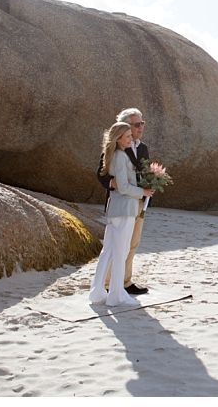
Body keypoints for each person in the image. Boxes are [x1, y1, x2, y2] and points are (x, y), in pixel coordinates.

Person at [90, 122, 153, 306]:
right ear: (118, 138)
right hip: (124, 209)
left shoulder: (115, 155)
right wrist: (143, 192)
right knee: (120, 252)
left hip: (116, 209)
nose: (130, 138)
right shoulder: (120, 157)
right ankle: (116, 295)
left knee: (108, 251)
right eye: (126, 136)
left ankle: (97, 293)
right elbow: (124, 187)